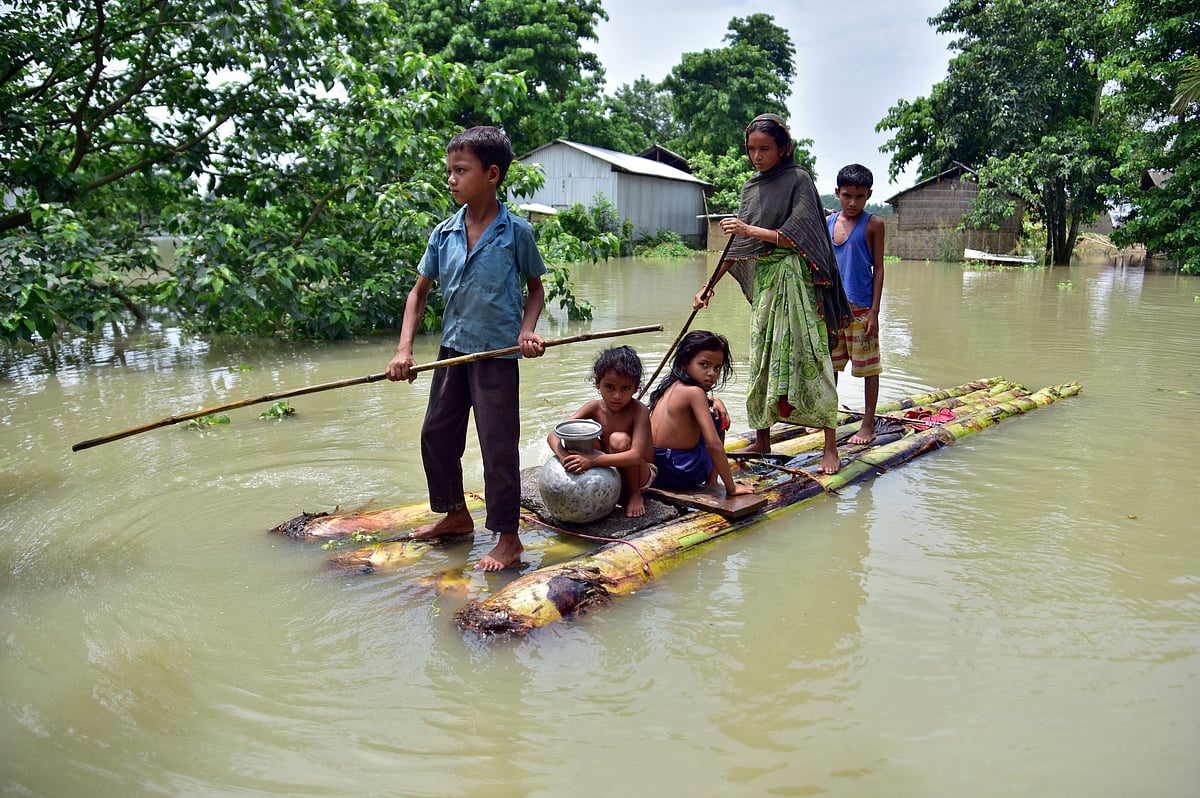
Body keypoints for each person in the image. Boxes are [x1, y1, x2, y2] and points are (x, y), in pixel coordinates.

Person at [385, 126, 546, 571]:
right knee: (436, 434)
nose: (451, 180)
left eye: (461, 170)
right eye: (450, 171)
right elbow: (418, 294)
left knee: (497, 446)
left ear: (491, 175)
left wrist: (527, 332)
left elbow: (535, 291)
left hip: (497, 356)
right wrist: (404, 351)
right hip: (453, 352)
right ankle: (455, 515)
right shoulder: (444, 233)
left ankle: (508, 539)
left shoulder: (516, 233)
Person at [693, 113, 853, 475]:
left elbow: (800, 235)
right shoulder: (751, 188)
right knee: (762, 356)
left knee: (812, 358)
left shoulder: (799, 179)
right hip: (767, 284)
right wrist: (708, 286)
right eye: (751, 149)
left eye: (765, 148)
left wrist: (749, 227)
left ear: (784, 148)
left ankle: (830, 446)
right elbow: (737, 247)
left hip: (796, 281)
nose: (757, 156)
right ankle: (762, 437)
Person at [546, 345, 656, 518]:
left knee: (618, 440)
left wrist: (592, 460)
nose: (617, 396)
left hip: (640, 473)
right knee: (582, 437)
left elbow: (635, 456)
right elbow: (554, 434)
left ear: (635, 388)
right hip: (611, 466)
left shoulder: (639, 411)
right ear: (598, 384)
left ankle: (634, 494)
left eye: (625, 388)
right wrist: (564, 457)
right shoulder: (594, 407)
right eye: (610, 387)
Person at [647, 330, 755, 497]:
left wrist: (714, 400)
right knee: (717, 419)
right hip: (679, 473)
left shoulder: (670, 385)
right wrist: (731, 487)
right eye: (704, 365)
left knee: (713, 413)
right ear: (685, 363)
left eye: (717, 367)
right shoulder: (695, 393)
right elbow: (713, 444)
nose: (712, 373)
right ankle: (713, 483)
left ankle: (713, 480)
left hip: (656, 470)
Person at [827, 163, 886, 444]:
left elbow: (879, 269)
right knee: (831, 368)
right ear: (837, 192)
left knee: (868, 369)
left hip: (861, 310)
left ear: (869, 195)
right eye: (847, 195)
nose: (853, 202)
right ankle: (827, 420)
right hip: (833, 310)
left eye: (860, 197)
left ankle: (868, 425)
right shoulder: (827, 224)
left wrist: (874, 312)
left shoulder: (874, 224)